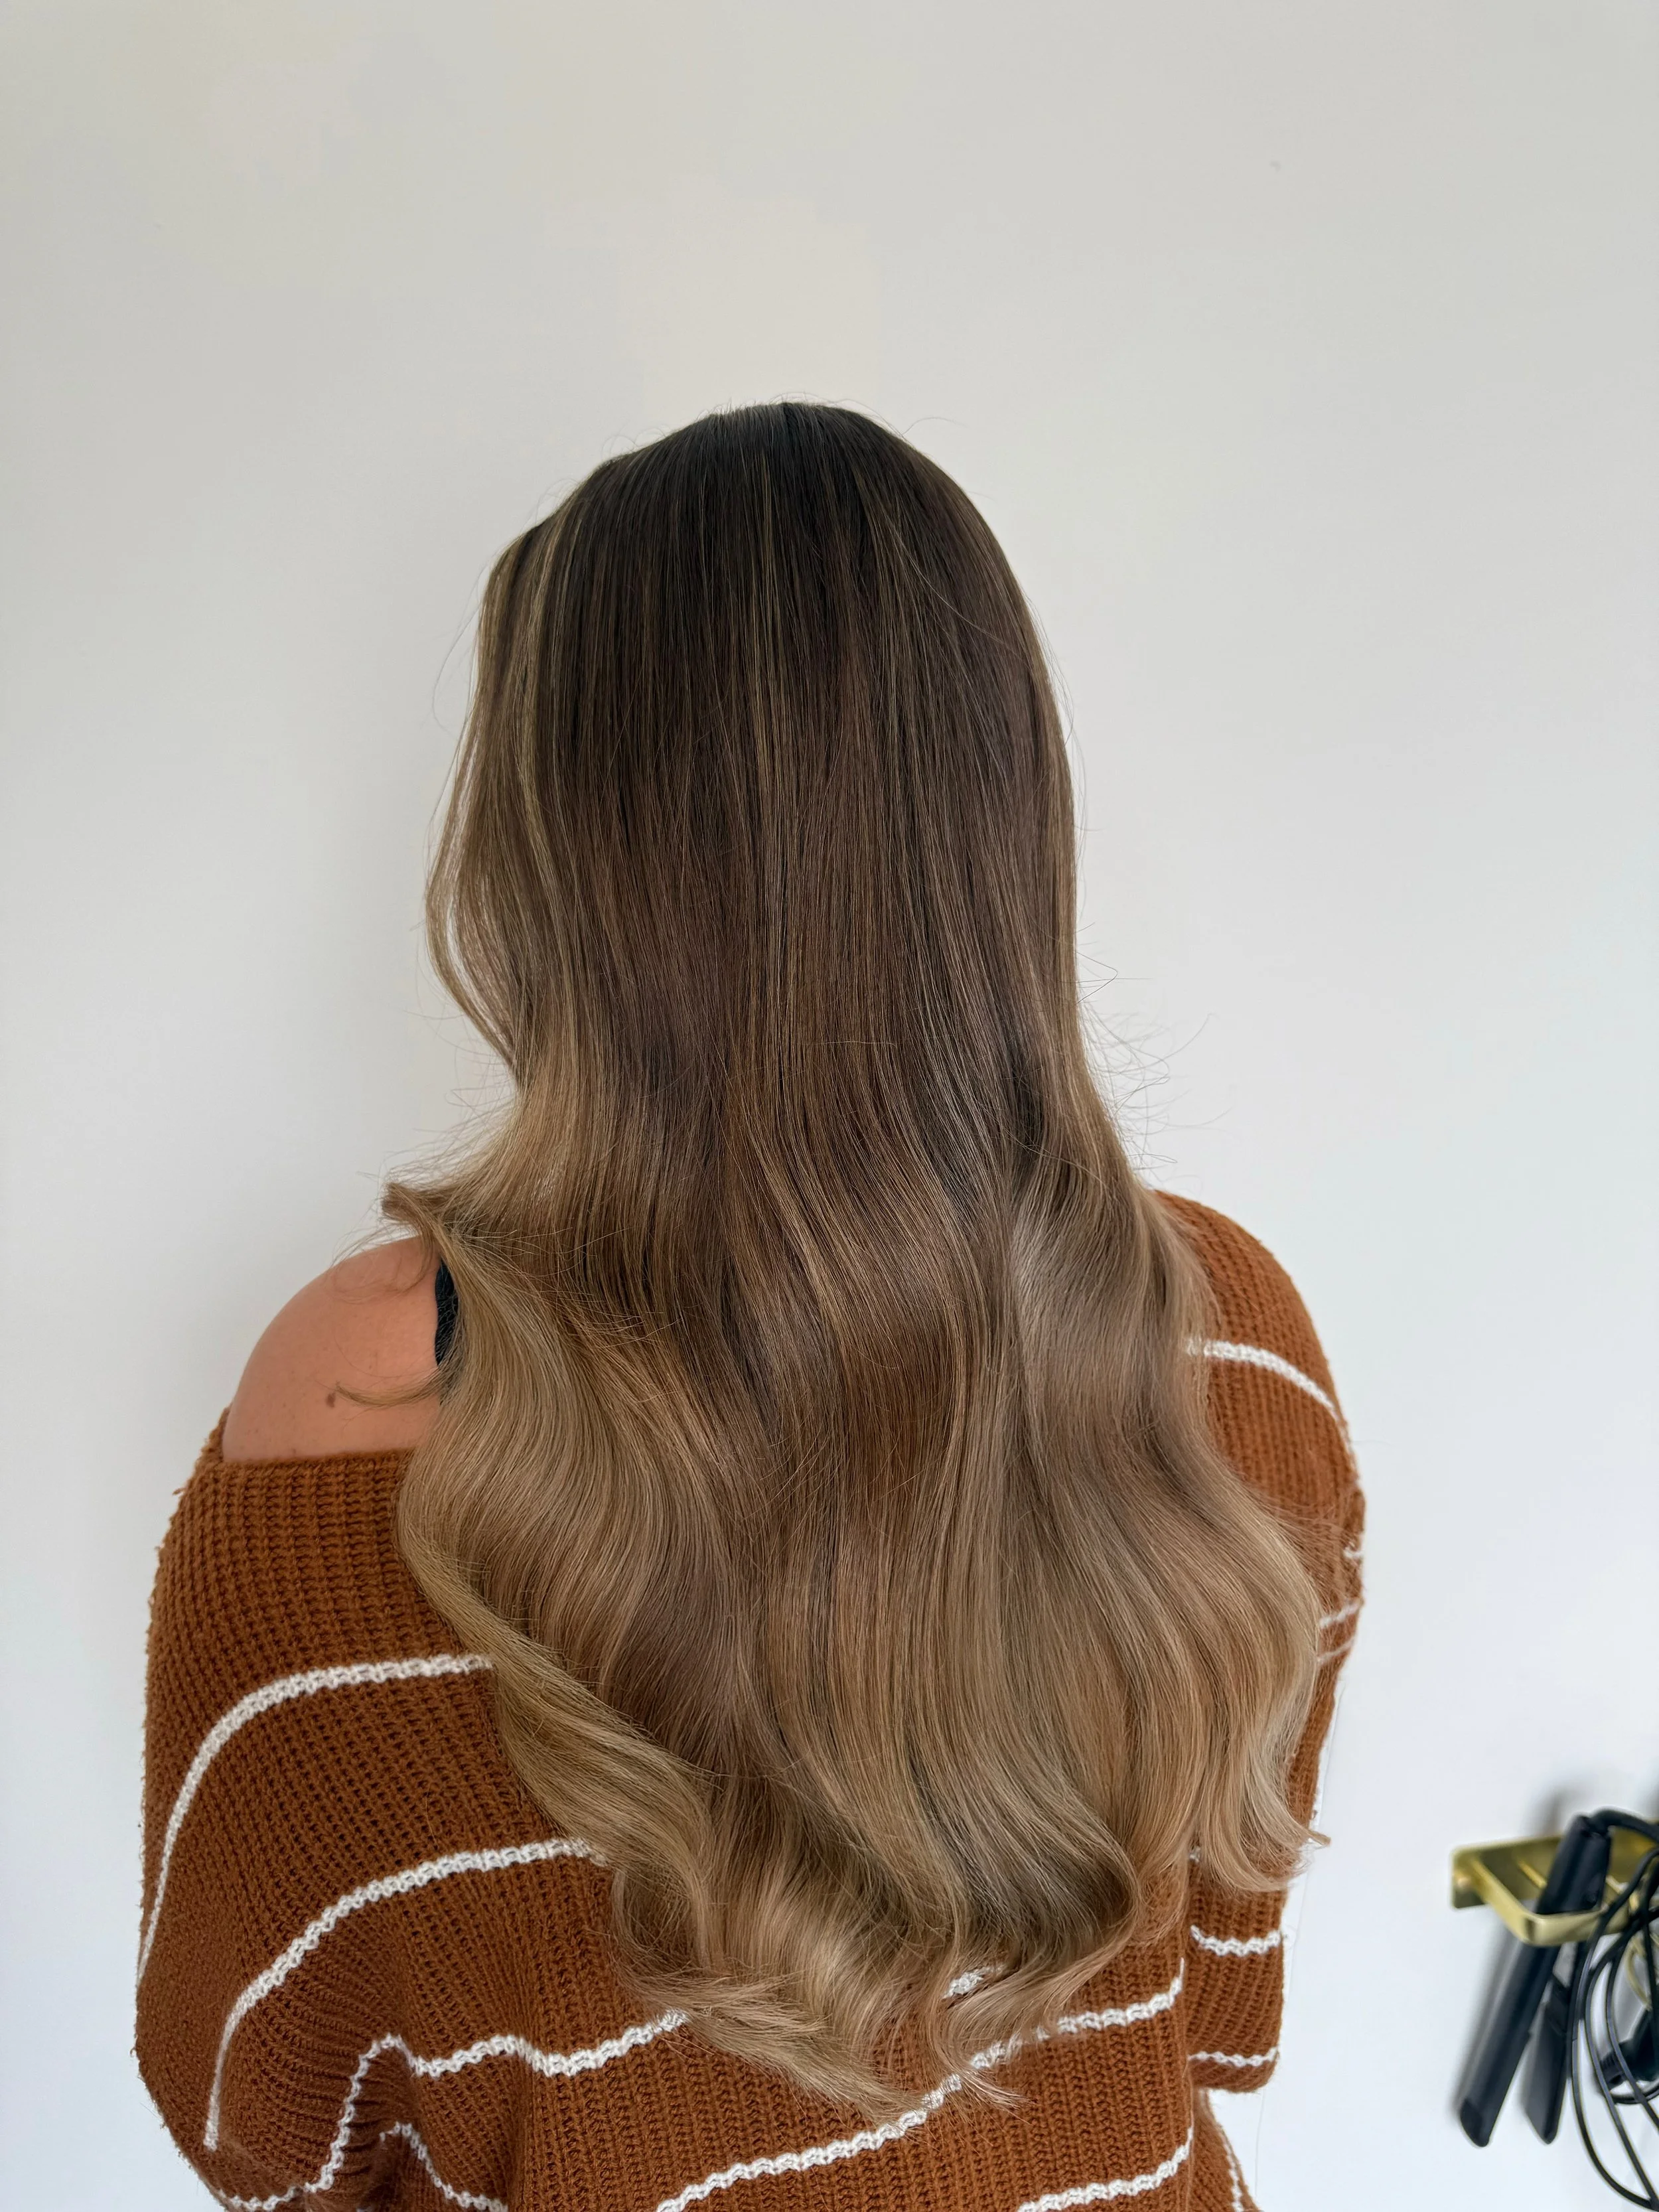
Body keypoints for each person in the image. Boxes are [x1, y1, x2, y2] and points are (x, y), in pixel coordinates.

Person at [137, 404, 1362, 2211]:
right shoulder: (1225, 1330)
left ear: (545, 853)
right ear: (1000, 817)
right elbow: (1219, 1993)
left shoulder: (365, 1401)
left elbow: (264, 2109)